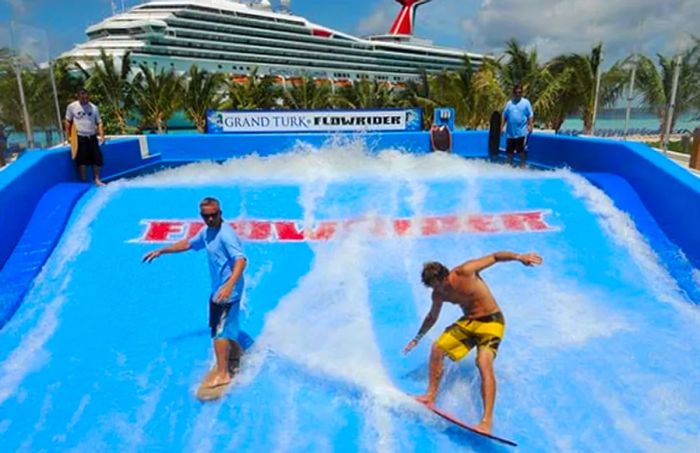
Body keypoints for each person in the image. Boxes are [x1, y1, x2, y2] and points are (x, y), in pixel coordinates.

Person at [403, 251, 543, 434]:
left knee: (483, 362)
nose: (439, 291)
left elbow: (495, 257)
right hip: (469, 321)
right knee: (437, 348)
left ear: (446, 276)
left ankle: (486, 422)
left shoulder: (466, 271)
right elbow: (432, 316)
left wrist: (519, 257)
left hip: (492, 322)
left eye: (440, 286)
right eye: (433, 288)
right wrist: (417, 338)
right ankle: (430, 395)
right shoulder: (437, 294)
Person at [143, 197, 247, 389]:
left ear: (220, 213)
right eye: (206, 216)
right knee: (222, 325)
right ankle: (235, 352)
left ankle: (223, 374)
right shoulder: (207, 232)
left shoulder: (226, 235)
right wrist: (163, 250)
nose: (210, 219)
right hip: (219, 290)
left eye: (213, 215)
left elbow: (241, 260)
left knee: (218, 333)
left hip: (227, 291)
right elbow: (188, 244)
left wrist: (229, 285)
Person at [64, 88, 106, 186]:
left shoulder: (94, 108)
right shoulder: (72, 107)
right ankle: (84, 181)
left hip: (92, 136)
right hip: (80, 136)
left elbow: (99, 122)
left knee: (97, 158)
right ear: (78, 97)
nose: (84, 100)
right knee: (82, 160)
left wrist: (102, 136)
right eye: (82, 98)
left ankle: (97, 179)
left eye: (86, 98)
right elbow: (67, 121)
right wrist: (68, 136)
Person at [501, 84, 534, 168]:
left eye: (520, 92)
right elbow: (504, 116)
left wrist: (530, 125)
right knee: (509, 152)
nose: (518, 94)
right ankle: (509, 167)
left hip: (521, 132)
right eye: (516, 92)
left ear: (522, 93)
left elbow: (530, 115)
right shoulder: (509, 104)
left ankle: (522, 167)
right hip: (510, 133)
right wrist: (501, 127)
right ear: (513, 93)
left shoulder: (526, 103)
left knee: (521, 151)